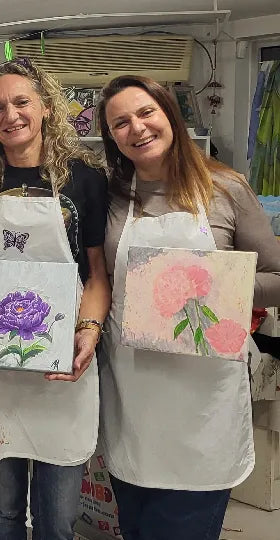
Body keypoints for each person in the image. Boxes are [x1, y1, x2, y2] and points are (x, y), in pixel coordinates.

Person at [96, 74, 280, 540]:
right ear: (111, 136)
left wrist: (212, 287)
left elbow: (278, 278)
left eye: (145, 113)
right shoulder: (111, 196)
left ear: (169, 114)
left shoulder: (227, 188)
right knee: (136, 525)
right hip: (133, 393)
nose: (136, 128)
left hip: (202, 399)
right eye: (120, 122)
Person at [0, 57, 111, 540]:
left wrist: (89, 331)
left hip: (62, 368)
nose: (11, 115)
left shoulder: (85, 180)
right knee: (1, 515)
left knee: (57, 522)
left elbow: (98, 273)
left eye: (21, 101)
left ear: (44, 106)